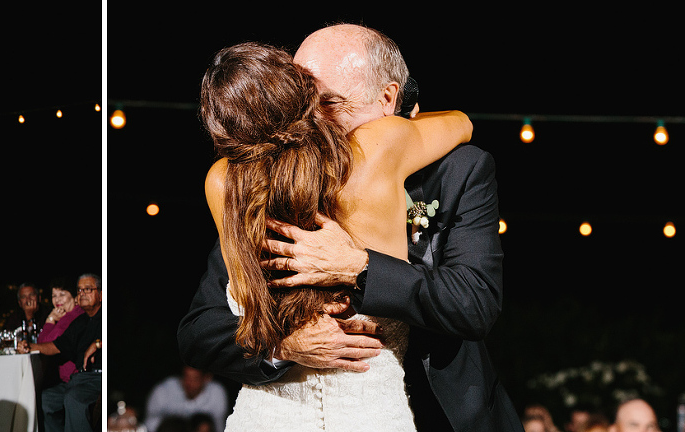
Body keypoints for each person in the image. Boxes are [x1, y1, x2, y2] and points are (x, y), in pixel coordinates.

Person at [177, 24, 519, 431]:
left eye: (329, 104)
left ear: (388, 97)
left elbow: (474, 305)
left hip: (436, 415)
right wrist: (282, 347)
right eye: (301, 106)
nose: (311, 124)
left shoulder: (459, 170)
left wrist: (360, 267)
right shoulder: (255, 191)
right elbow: (199, 332)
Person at [18, 273, 102, 432]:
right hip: (78, 378)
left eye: (88, 289)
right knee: (45, 399)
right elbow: (55, 346)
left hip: (98, 376)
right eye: (80, 290)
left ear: (101, 295)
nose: (82, 294)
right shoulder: (80, 321)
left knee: (74, 398)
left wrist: (97, 344)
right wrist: (30, 347)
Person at [143, 366, 229, 432]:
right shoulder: (163, 390)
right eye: (187, 377)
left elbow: (219, 427)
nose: (189, 383)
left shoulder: (217, 393)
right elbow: (150, 424)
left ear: (206, 378)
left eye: (195, 379)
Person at [39, 282, 85, 384]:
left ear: (75, 297)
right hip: (69, 379)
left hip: (77, 379)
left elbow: (43, 344)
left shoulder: (72, 316)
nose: (57, 299)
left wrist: (50, 320)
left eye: (62, 294)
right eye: (54, 296)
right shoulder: (68, 315)